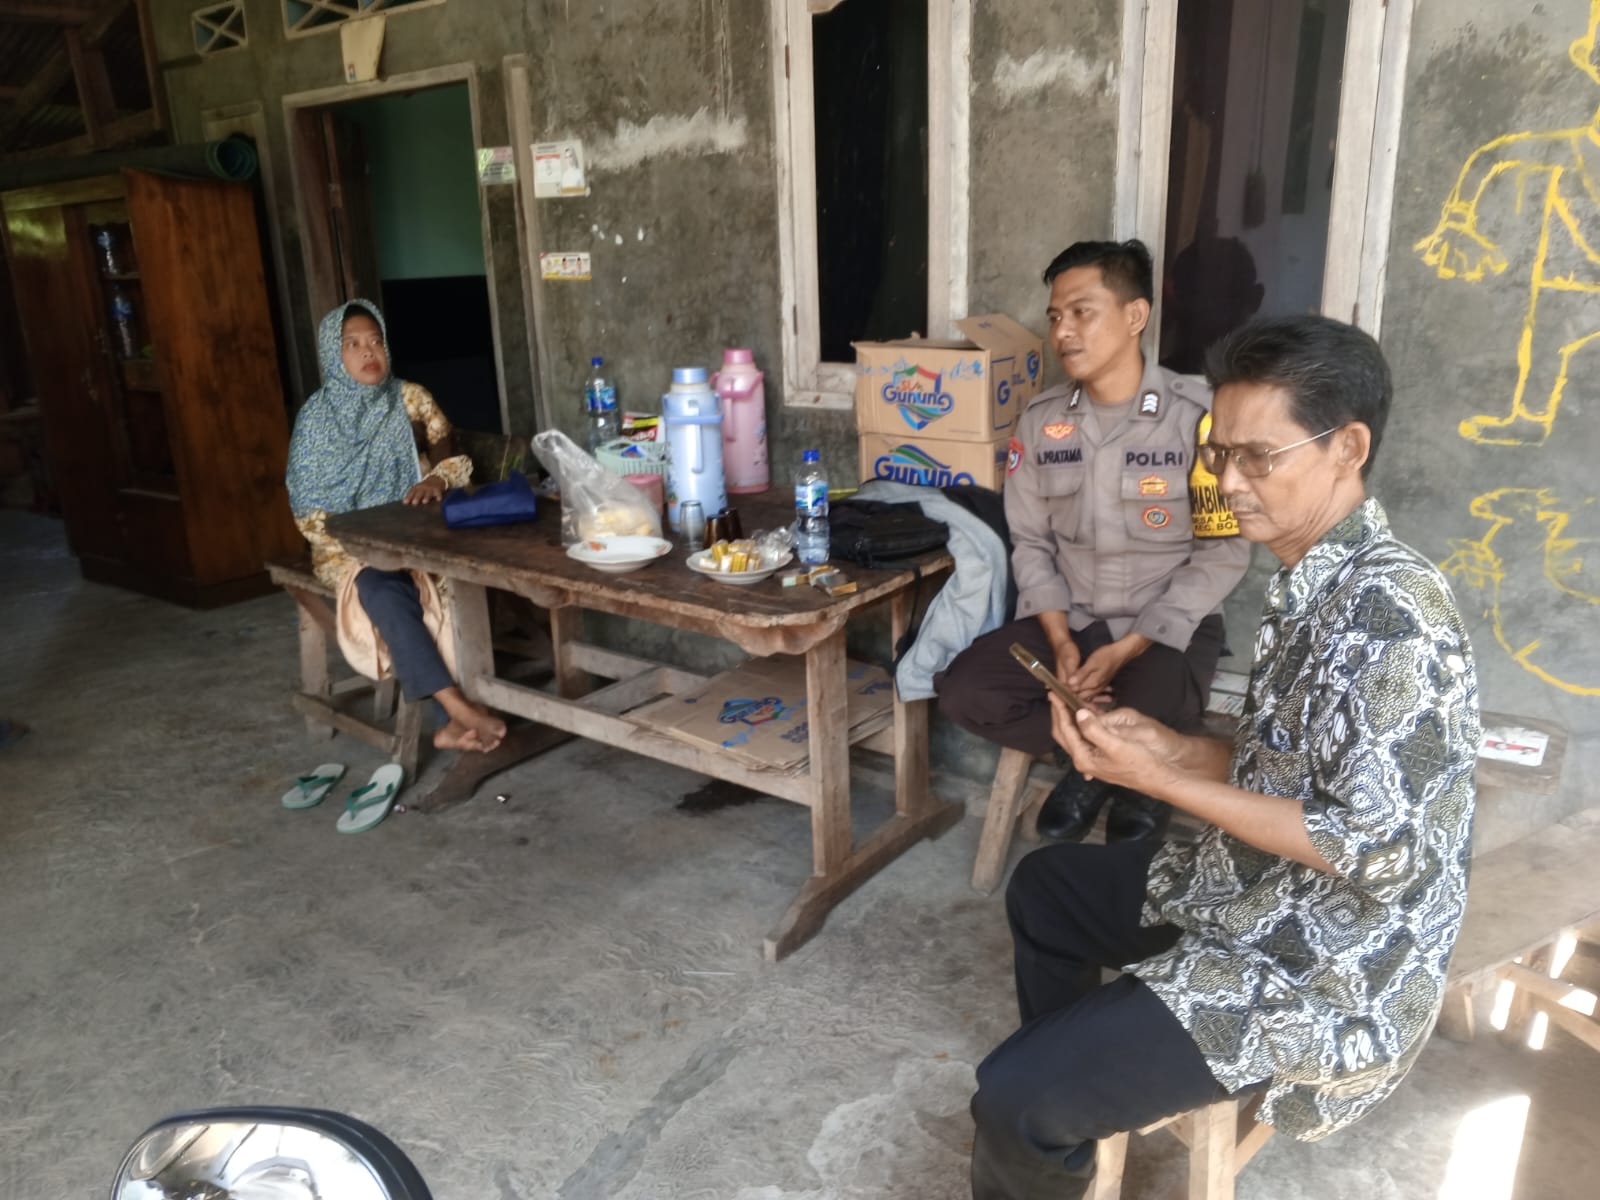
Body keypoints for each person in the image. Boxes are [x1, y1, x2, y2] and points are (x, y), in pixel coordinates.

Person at [968, 315, 1480, 1200]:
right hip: (1259, 891)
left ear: (1348, 447)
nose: (1227, 482)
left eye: (1257, 457)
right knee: (1048, 889)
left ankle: (1048, 1102)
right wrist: (1172, 747)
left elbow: (1374, 847)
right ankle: (1076, 1107)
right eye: (1219, 454)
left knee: (1012, 1098)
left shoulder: (1392, 614)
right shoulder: (1314, 579)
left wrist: (1160, 779)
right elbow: (1288, 761)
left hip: (1331, 963)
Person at [936, 240, 1251, 843]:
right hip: (1073, 619)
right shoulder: (1042, 420)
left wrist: (1129, 647)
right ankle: (1103, 763)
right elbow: (1030, 542)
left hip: (1165, 628)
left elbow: (1224, 553)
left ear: (1135, 315)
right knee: (965, 692)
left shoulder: (1198, 418)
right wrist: (1059, 640)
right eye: (1056, 316)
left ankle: (1118, 772)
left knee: (1149, 708)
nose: (1063, 331)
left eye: (1082, 312)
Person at [287, 300, 506, 754]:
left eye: (376, 341)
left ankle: (452, 723)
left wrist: (436, 478)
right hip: (345, 548)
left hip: (419, 538)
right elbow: (308, 510)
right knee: (382, 587)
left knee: (444, 582)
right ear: (333, 355)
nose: (369, 352)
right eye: (353, 344)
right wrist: (370, 543)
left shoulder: (410, 398)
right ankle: (456, 711)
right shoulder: (316, 419)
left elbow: (448, 451)